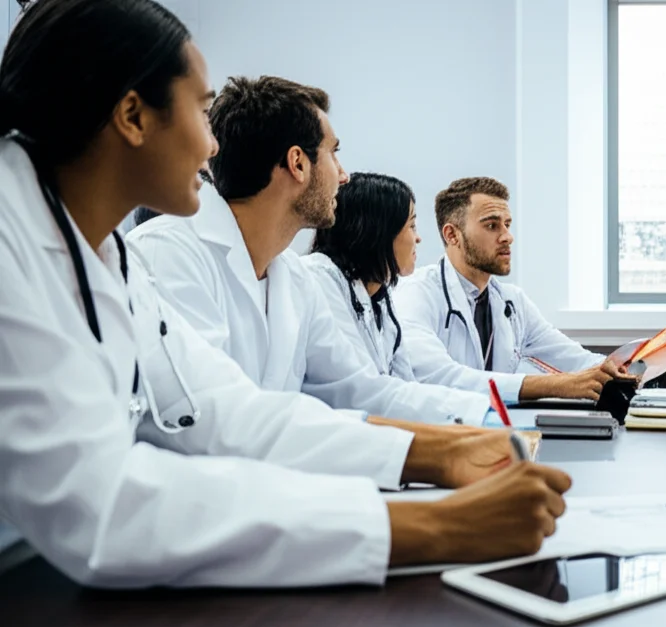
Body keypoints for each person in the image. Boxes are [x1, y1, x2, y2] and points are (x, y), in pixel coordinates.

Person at [0, 0, 570, 588]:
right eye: (200, 111)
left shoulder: (107, 258)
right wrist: (434, 527)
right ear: (133, 116)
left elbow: (230, 411)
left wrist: (439, 455)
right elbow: (101, 508)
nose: (213, 146)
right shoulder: (34, 246)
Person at [127, 76, 493, 426]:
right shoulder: (168, 254)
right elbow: (212, 418)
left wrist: (485, 417)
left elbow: (359, 390)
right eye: (333, 153)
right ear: (297, 163)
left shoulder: (291, 276)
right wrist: (435, 453)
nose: (344, 174)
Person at [393, 177, 629, 404]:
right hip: (441, 435)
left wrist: (622, 367)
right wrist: (557, 385)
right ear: (452, 234)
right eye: (492, 225)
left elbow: (574, 359)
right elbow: (439, 378)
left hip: (495, 432)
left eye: (507, 225)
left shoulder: (511, 301)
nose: (507, 237)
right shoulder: (416, 294)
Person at [304, 172, 426, 382]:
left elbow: (405, 382)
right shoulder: (320, 279)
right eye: (412, 226)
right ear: (379, 231)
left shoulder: (379, 298)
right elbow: (359, 387)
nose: (418, 238)